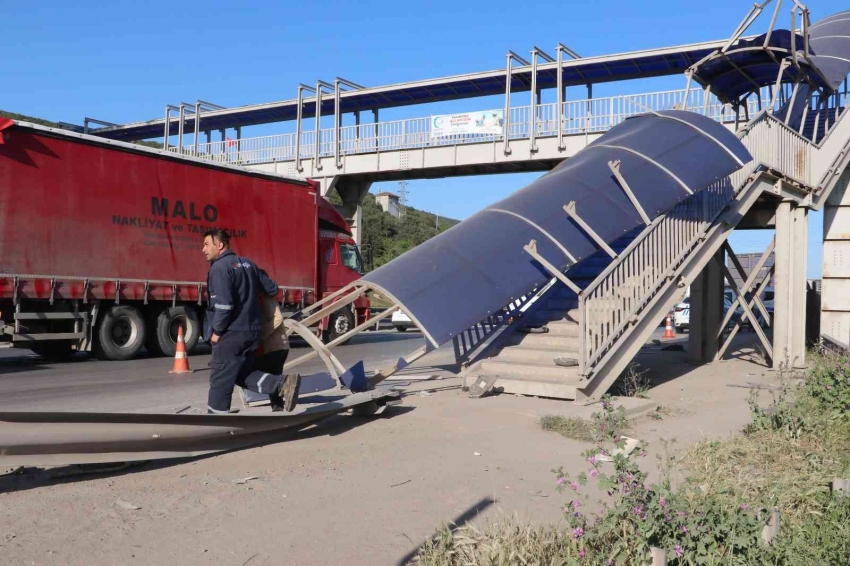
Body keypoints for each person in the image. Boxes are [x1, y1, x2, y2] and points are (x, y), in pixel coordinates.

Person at [202, 228, 300, 414]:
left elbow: (224, 305)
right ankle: (281, 384)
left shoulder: (220, 268)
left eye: (207, 244)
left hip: (231, 333)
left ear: (220, 245)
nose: (203, 249)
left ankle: (215, 423)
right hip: (252, 333)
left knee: (220, 377)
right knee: (240, 374)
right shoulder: (249, 264)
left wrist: (216, 332)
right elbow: (272, 289)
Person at [256, 285, 290, 411]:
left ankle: (285, 386)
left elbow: (278, 318)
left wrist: (261, 334)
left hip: (276, 346)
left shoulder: (266, 298)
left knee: (261, 374)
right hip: (273, 347)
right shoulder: (259, 298)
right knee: (271, 378)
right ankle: (278, 409)